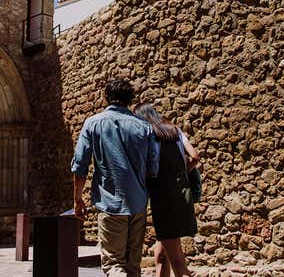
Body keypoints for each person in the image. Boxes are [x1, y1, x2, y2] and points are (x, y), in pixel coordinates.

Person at [71, 79, 159, 277]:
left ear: (107, 97)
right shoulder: (144, 127)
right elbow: (153, 167)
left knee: (113, 264)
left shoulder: (92, 123)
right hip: (138, 203)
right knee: (133, 265)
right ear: (130, 99)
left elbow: (80, 165)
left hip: (111, 202)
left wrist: (77, 199)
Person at [133, 103, 200, 277]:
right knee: (161, 255)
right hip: (182, 194)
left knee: (178, 263)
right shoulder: (174, 130)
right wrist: (180, 173)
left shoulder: (148, 135)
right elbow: (194, 157)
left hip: (163, 200)